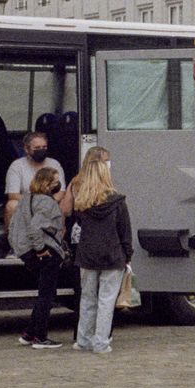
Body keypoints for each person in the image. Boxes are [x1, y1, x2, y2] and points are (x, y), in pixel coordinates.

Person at [67, 148, 133, 354]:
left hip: (87, 255)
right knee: (106, 301)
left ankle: (83, 340)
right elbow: (125, 232)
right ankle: (101, 342)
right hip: (112, 255)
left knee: (87, 299)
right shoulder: (118, 201)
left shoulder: (82, 203)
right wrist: (128, 256)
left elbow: (78, 227)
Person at [9, 166, 69, 349]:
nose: (59, 185)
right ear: (47, 184)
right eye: (55, 181)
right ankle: (40, 337)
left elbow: (13, 226)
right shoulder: (47, 203)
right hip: (45, 252)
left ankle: (29, 333)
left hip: (24, 250)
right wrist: (41, 249)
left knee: (45, 293)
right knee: (47, 295)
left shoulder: (27, 199)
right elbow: (36, 227)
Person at [5, 132, 66, 227]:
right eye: (37, 148)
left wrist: (47, 203)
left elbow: (61, 192)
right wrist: (35, 203)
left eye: (44, 147)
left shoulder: (54, 164)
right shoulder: (17, 166)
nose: (41, 150)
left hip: (50, 203)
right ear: (26, 149)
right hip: (26, 204)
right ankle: (13, 236)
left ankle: (59, 235)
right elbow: (13, 195)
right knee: (11, 205)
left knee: (64, 203)